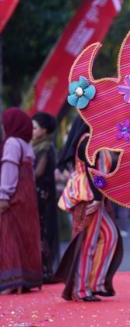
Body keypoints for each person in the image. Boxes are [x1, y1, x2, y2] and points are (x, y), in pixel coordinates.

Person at [54, 117, 123, 302]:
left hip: (93, 196)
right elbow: (94, 174)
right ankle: (81, 290)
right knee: (88, 243)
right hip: (88, 196)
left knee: (110, 236)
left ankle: (94, 283)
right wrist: (98, 198)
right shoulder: (88, 140)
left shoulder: (93, 139)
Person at [0, 108, 42, 294]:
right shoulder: (26, 144)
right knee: (24, 236)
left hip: (14, 196)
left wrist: (3, 195)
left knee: (9, 237)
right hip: (27, 198)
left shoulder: (11, 143)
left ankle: (12, 282)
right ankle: (24, 281)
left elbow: (9, 170)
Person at [31, 112, 60, 283]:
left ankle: (46, 271)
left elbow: (38, 173)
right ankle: (42, 269)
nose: (32, 131)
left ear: (44, 130)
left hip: (43, 194)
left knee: (44, 231)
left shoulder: (46, 147)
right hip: (39, 193)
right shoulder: (35, 145)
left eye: (34, 128)